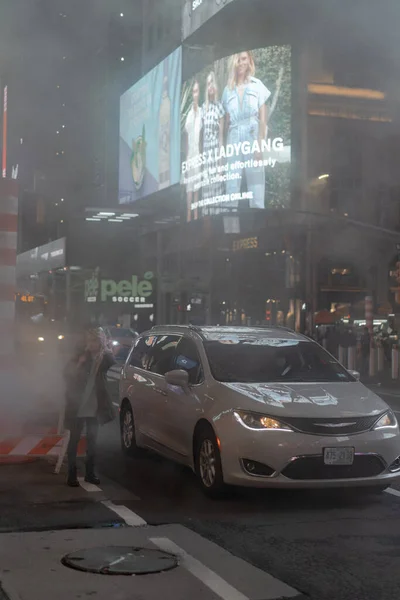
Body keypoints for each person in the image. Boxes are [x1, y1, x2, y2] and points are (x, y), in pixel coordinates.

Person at [63, 328, 116, 487]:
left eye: (96, 341)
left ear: (101, 342)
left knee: (92, 441)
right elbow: (66, 374)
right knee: (74, 439)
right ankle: (71, 473)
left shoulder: (104, 357)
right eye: (90, 341)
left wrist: (106, 349)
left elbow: (111, 364)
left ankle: (90, 473)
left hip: (94, 406)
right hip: (77, 404)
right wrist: (80, 363)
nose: (92, 344)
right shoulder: (80, 356)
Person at [222, 51, 271, 209]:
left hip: (252, 134)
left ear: (249, 61)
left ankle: (259, 231)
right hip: (234, 137)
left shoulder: (257, 85)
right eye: (237, 60)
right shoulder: (227, 91)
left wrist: (259, 145)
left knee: (256, 188)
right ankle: (229, 232)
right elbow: (225, 123)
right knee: (231, 189)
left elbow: (263, 120)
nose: (240, 63)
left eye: (243, 59)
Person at [201, 71, 225, 216]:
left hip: (216, 154)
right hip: (206, 156)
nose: (210, 85)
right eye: (208, 83)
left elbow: (221, 138)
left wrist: (220, 165)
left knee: (217, 199)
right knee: (206, 200)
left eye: (212, 82)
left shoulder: (220, 107)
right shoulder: (203, 108)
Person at [184, 80, 202, 222]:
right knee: (190, 187)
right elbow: (186, 136)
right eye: (194, 91)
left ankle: (196, 216)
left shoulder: (201, 111)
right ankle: (189, 216)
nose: (195, 94)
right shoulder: (190, 114)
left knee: (197, 186)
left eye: (197, 91)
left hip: (199, 154)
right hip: (190, 155)